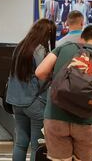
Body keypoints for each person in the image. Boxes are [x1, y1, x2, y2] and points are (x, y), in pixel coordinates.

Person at [35, 25, 92, 161]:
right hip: (87, 123)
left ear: (81, 39)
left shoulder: (66, 47)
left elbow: (40, 72)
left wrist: (58, 79)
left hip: (56, 118)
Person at [6, 18, 57, 161]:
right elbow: (42, 75)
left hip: (16, 102)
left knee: (20, 143)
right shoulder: (40, 50)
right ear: (47, 34)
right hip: (34, 103)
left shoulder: (20, 47)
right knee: (37, 146)